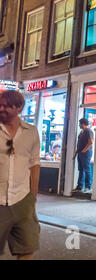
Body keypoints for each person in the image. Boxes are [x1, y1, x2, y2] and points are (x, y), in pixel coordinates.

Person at [0, 90, 41, 260]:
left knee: (27, 248)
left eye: (6, 106)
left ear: (19, 108)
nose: (1, 109)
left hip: (23, 199)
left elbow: (34, 163)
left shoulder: (31, 132)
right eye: (0, 105)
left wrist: (33, 195)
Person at [73, 118, 94, 193]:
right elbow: (79, 143)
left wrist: (84, 150)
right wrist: (76, 153)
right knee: (81, 169)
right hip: (80, 153)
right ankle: (79, 186)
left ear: (83, 124)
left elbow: (91, 142)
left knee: (87, 170)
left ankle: (88, 187)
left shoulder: (88, 131)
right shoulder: (82, 132)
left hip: (86, 153)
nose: (79, 125)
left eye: (80, 123)